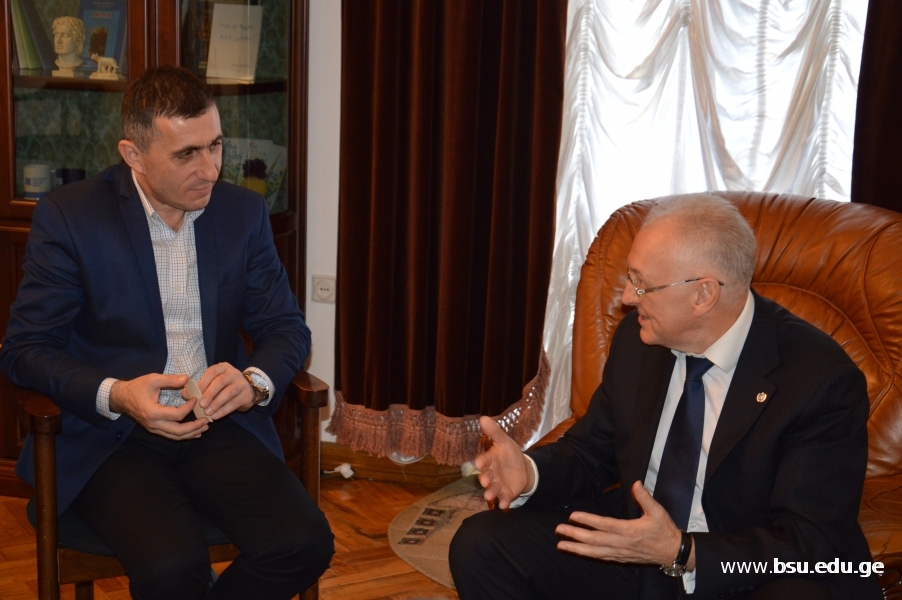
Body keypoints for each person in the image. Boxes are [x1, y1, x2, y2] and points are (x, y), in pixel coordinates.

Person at [1, 65, 334, 599]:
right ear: (133, 154)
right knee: (172, 567)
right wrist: (118, 394)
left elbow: (284, 326)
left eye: (215, 145)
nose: (210, 169)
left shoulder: (242, 213)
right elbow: (25, 349)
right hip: (114, 438)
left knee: (305, 543)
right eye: (186, 154)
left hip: (217, 423)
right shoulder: (71, 216)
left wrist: (254, 382)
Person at [449, 194, 881, 599]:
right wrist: (529, 472)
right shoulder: (639, 342)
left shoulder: (818, 379)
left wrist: (683, 552)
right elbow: (592, 452)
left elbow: (810, 545)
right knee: (482, 545)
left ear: (703, 295)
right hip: (641, 550)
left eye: (642, 285)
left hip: (742, 569)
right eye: (630, 278)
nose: (626, 298)